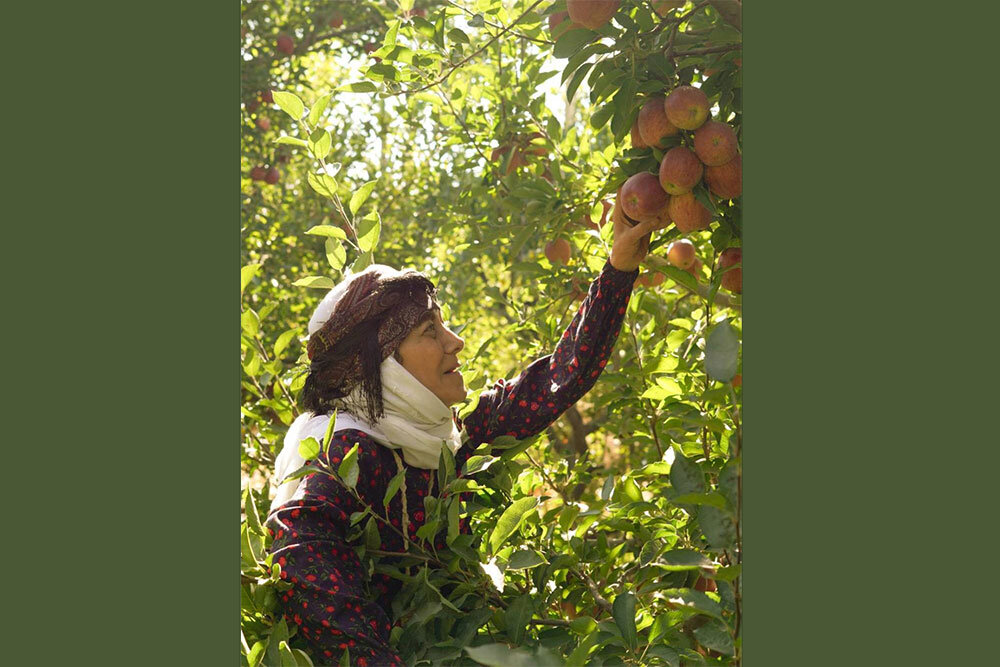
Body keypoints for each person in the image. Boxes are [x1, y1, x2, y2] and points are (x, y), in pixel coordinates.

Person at [266, 209, 663, 665]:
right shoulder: (347, 456)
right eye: (429, 332)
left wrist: (619, 269)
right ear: (384, 369)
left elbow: (560, 377)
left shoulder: (450, 438)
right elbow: (301, 554)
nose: (455, 342)